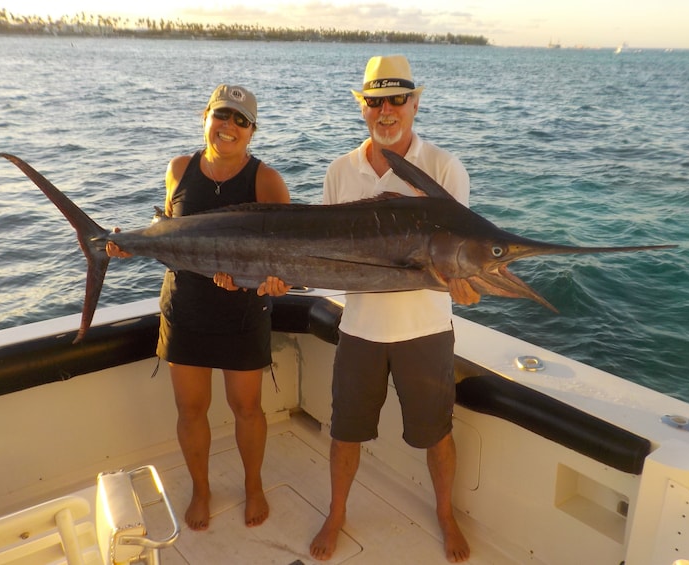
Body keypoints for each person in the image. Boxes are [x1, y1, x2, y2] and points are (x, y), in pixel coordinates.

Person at [309, 56, 480, 563]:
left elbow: (460, 260)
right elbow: (318, 254)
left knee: (438, 435)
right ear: (363, 108)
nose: (386, 111)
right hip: (359, 329)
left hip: (425, 332)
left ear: (415, 103)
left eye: (397, 100)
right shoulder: (340, 171)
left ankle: (444, 513)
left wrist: (466, 287)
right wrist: (278, 278)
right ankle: (337, 512)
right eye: (375, 102)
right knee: (345, 433)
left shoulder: (446, 169)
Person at [107, 84, 291, 531]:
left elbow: (285, 255)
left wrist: (271, 283)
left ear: (252, 132)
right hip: (185, 308)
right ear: (205, 117)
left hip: (243, 312)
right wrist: (131, 244)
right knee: (190, 410)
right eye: (222, 115)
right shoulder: (179, 169)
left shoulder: (266, 180)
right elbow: (169, 231)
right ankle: (201, 490)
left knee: (247, 409)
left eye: (241, 120)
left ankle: (253, 487)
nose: (229, 126)